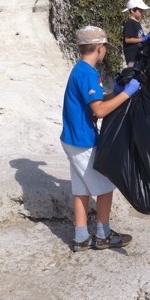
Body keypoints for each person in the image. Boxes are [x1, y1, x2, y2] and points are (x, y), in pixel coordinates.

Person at [60, 26, 139, 252]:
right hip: (82, 139)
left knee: (81, 189)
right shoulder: (87, 73)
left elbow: (96, 102)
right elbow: (101, 110)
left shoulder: (80, 70)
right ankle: (103, 235)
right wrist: (127, 94)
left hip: (71, 137)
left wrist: (115, 92)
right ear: (100, 48)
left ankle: (81, 237)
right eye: (105, 48)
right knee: (106, 185)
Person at [122, 0, 150, 66]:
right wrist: (142, 39)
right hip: (132, 58)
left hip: (138, 57)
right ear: (132, 10)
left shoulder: (137, 23)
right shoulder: (130, 23)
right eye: (140, 11)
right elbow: (127, 40)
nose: (142, 13)